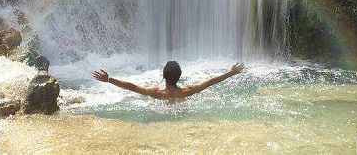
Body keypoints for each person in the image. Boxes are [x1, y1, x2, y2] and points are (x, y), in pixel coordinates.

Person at [92, 61, 245, 102]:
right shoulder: (187, 91)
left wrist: (109, 79)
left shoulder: (156, 93)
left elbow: (131, 87)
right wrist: (231, 73)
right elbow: (210, 82)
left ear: (163, 76)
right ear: (179, 77)